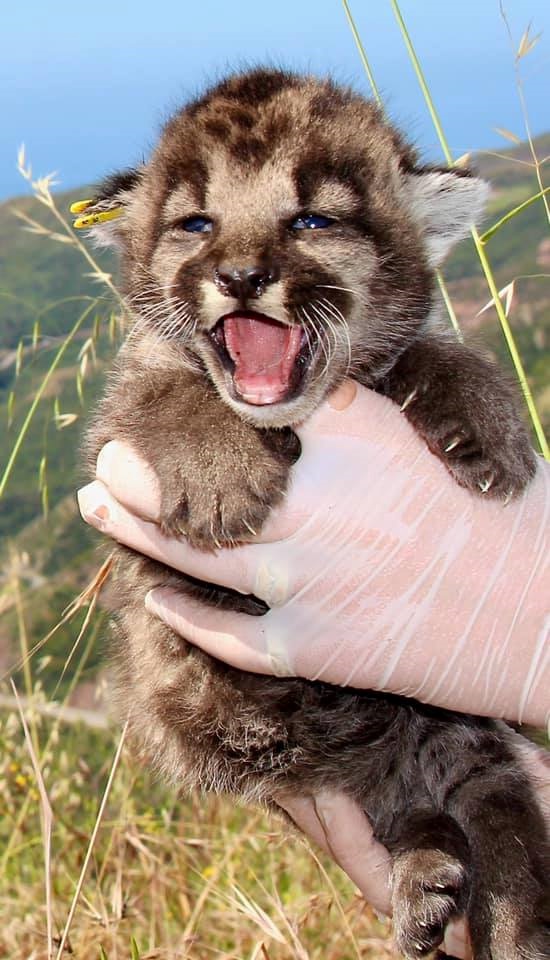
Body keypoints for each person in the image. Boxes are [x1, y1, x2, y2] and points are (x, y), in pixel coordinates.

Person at [78, 380, 550, 959]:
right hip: (292, 730)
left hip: (359, 739)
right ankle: (429, 839)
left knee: (477, 799)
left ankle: (445, 854)